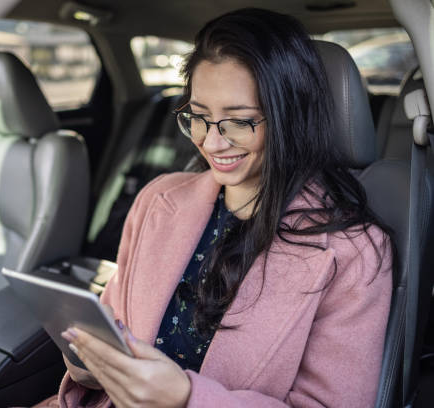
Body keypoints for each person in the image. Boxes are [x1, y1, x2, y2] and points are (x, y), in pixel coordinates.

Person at [37, 7, 393, 407]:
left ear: (289, 119)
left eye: (239, 121)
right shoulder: (158, 199)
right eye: (199, 117)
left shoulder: (353, 252)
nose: (211, 142)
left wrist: (186, 399)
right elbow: (112, 326)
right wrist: (87, 363)